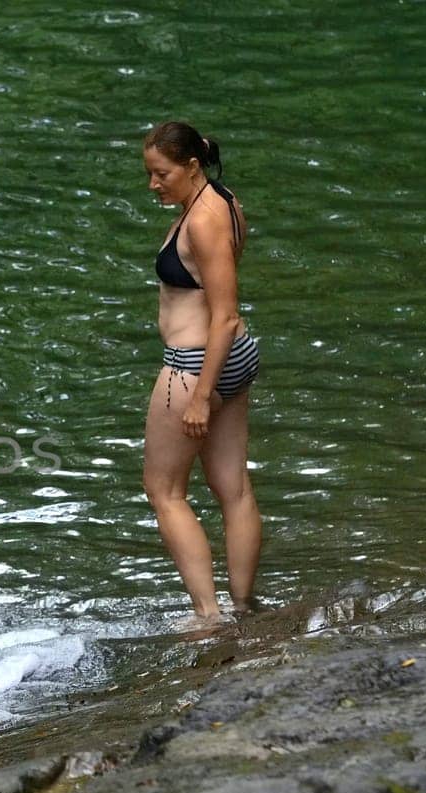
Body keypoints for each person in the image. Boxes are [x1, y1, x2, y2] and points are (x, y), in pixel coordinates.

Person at [140, 121, 262, 623]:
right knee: (232, 486)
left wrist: (199, 395)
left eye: (161, 174)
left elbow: (225, 313)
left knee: (164, 491)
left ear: (191, 165)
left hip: (196, 364)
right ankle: (245, 606)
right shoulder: (223, 201)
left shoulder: (204, 219)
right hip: (235, 358)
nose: (153, 184)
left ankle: (208, 616)